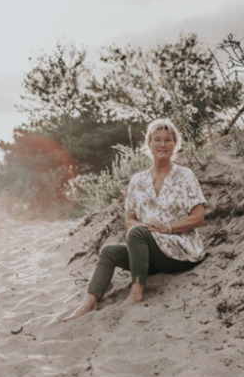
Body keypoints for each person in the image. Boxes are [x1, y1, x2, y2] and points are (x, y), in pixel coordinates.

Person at [64, 118, 206, 322]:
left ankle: (136, 293)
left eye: (168, 140)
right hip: (150, 254)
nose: (163, 145)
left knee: (138, 234)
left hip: (179, 252)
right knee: (109, 251)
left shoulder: (185, 176)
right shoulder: (137, 180)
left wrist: (167, 227)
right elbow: (129, 220)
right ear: (148, 143)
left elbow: (199, 217)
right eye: (157, 139)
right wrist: (145, 227)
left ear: (176, 144)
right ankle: (88, 302)